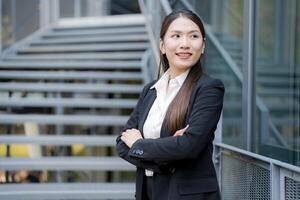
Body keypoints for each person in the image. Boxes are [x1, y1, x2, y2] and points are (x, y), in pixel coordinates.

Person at [116, 9, 224, 200]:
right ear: (163, 46)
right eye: (176, 36)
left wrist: (139, 144)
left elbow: (189, 146)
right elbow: (122, 143)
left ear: (203, 45)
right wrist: (166, 158)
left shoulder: (208, 88)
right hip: (147, 193)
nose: (185, 44)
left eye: (193, 36)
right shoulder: (150, 90)